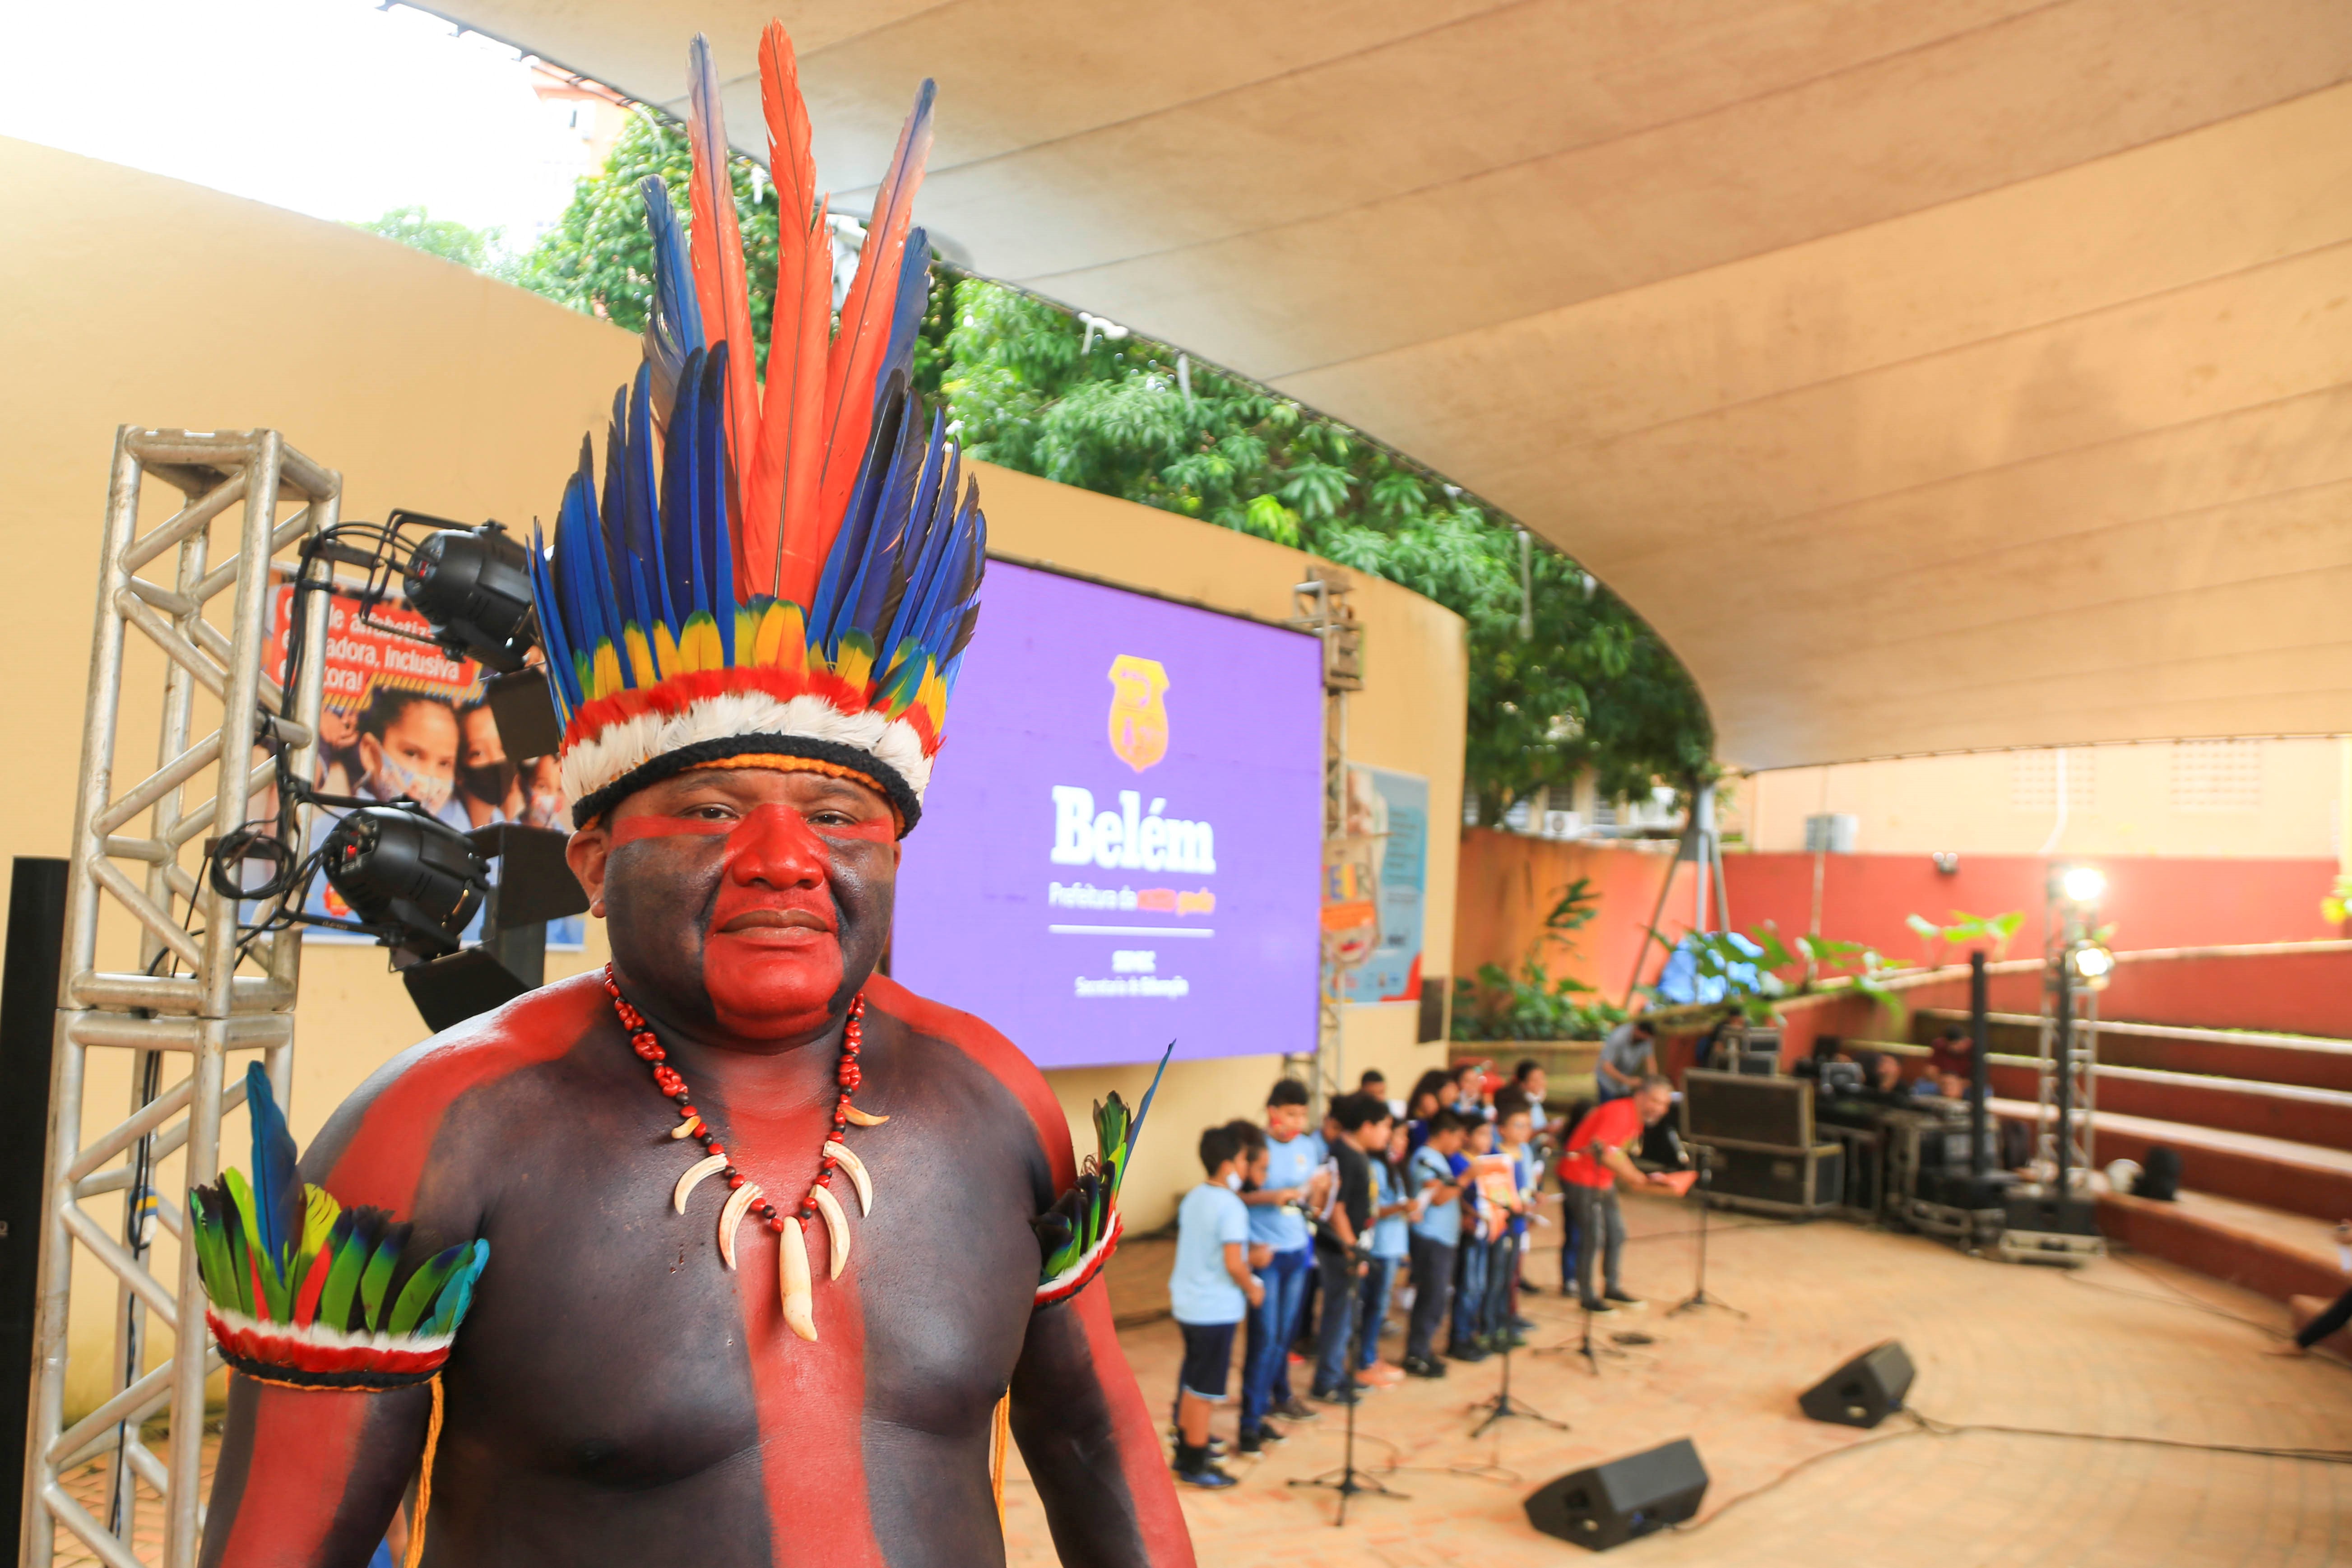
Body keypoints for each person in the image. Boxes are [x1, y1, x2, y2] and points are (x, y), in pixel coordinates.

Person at [194, 29, 1195, 1564]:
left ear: (902, 840)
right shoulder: (436, 1134)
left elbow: (1095, 1444)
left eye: (842, 815)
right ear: (593, 849)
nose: (789, 858)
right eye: (712, 811)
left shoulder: (997, 1104)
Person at [1168, 1124, 1265, 1489]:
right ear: (1227, 1165)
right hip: (1214, 1309)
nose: (1245, 1166)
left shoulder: (1195, 1197)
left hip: (1189, 1302)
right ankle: (1195, 1461)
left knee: (1194, 1382)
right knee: (1204, 1389)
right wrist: (1253, 1287)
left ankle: (1187, 1447)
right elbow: (1233, 1263)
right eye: (1242, 1160)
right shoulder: (1230, 1206)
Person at [1239, 1078, 1323, 1447]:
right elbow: (1238, 1197)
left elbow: (1313, 1195)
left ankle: (1280, 1395)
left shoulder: (1308, 1146)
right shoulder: (1256, 1148)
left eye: (1303, 1114)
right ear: (1273, 1112)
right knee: (1265, 1335)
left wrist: (1318, 1193)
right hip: (1265, 1253)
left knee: (1285, 1333)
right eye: (1291, 1113)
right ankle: (1251, 1416)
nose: (1298, 1121)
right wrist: (1273, 1196)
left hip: (1297, 1249)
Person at [1560, 1076, 1682, 1312]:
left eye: (1665, 1105)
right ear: (1640, 1095)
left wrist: (1639, 1177)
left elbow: (1618, 1152)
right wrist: (1635, 1177)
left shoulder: (1634, 1117)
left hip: (1603, 1180)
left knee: (1616, 1233)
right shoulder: (1621, 1112)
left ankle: (1612, 1286)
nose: (1660, 1109)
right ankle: (1588, 1296)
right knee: (1592, 1237)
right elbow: (1603, 1150)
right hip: (1582, 1178)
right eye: (1656, 1102)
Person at [1309, 1094, 1390, 1404]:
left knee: (1346, 1314)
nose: (1386, 1134)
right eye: (1384, 1127)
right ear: (1366, 1126)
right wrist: (1352, 1251)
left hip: (1350, 1247)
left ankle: (1337, 1374)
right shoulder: (1345, 1155)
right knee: (1338, 1313)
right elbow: (1336, 1209)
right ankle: (1327, 1381)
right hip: (1339, 1251)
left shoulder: (1355, 1153)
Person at [1401, 1110, 1468, 1377]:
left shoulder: (1438, 1159)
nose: (1460, 1143)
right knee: (1432, 1296)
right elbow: (1439, 1197)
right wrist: (1468, 1177)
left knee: (1437, 1297)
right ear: (1444, 1134)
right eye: (1458, 1137)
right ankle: (1416, 1353)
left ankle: (1423, 1350)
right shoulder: (1426, 1159)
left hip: (1443, 1238)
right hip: (1431, 1238)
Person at [1356, 1127, 1414, 1387]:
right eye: (1399, 1135)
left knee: (1380, 1306)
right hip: (1380, 1246)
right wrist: (1401, 1208)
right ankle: (1363, 1361)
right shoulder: (1375, 1167)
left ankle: (1371, 1357)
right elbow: (1374, 1208)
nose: (1404, 1141)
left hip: (1392, 1246)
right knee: (1373, 1305)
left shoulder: (1392, 1166)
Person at [352, 686, 459, 816]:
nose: (426, 788)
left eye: (444, 764)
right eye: (412, 754)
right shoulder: (338, 828)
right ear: (370, 752)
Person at [1447, 1117, 1498, 1360]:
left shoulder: (1485, 1162)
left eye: (1490, 1135)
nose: (1488, 1140)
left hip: (1484, 1230)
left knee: (1478, 1285)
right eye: (1482, 1134)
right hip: (1470, 1231)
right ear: (1467, 1136)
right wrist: (1470, 1213)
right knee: (1467, 1285)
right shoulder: (1458, 1161)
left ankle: (1471, 1332)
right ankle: (1460, 1338)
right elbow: (1458, 1193)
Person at [1596, 1018, 1656, 1102]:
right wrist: (1628, 1081)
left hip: (1623, 1086)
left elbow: (1651, 1062)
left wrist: (1653, 1083)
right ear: (1637, 1029)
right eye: (1644, 1036)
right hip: (1608, 1082)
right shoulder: (1618, 1037)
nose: (1645, 1040)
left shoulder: (1646, 1040)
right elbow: (1606, 1066)